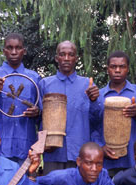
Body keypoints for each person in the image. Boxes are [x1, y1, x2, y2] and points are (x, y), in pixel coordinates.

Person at [38, 41, 101, 174]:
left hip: (80, 153)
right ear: (56, 58)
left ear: (76, 58)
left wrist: (94, 100)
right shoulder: (45, 84)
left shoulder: (87, 85)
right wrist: (42, 143)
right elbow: (38, 118)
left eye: (71, 55)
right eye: (62, 54)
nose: (66, 58)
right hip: (53, 153)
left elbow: (96, 118)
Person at [92, 51, 136, 177]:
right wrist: (100, 147)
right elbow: (93, 127)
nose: (118, 70)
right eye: (113, 67)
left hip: (135, 161)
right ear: (107, 69)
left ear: (128, 69)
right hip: (107, 162)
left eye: (122, 67)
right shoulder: (99, 96)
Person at [0, 33, 41, 164]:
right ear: (4, 51)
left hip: (26, 147)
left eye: (18, 48)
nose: (14, 52)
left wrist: (37, 112)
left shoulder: (34, 78)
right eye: (9, 48)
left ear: (24, 51)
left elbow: (42, 114)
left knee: (26, 183)